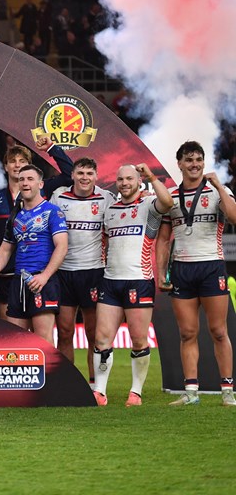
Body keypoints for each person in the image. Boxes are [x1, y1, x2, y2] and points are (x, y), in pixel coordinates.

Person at [156, 141, 236, 406]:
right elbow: (163, 239)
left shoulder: (217, 191)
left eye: (198, 159)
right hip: (182, 268)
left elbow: (234, 218)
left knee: (219, 331)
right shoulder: (170, 196)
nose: (195, 164)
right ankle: (191, 392)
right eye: (189, 160)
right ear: (179, 164)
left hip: (211, 266)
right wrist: (161, 273)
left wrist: (220, 187)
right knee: (187, 333)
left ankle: (227, 391)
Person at [91, 164, 172, 406]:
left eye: (129, 179)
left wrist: (152, 177)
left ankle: (136, 392)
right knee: (101, 339)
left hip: (139, 279)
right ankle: (100, 392)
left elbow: (167, 202)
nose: (124, 183)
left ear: (138, 181)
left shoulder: (148, 205)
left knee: (138, 340)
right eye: (120, 179)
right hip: (110, 280)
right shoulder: (110, 209)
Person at [0, 137, 73, 319]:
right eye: (13, 161)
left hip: (39, 272)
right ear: (6, 166)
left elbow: (69, 174)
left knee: (41, 331)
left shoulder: (42, 190)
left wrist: (52, 148)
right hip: (6, 275)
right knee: (8, 331)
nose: (17, 165)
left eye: (22, 161)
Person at [50, 158, 114, 388]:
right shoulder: (59, 196)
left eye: (89, 173)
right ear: (73, 175)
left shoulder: (106, 198)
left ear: (96, 176)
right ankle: (67, 386)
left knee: (93, 333)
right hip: (64, 272)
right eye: (80, 173)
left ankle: (95, 386)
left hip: (93, 272)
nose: (84, 178)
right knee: (65, 331)